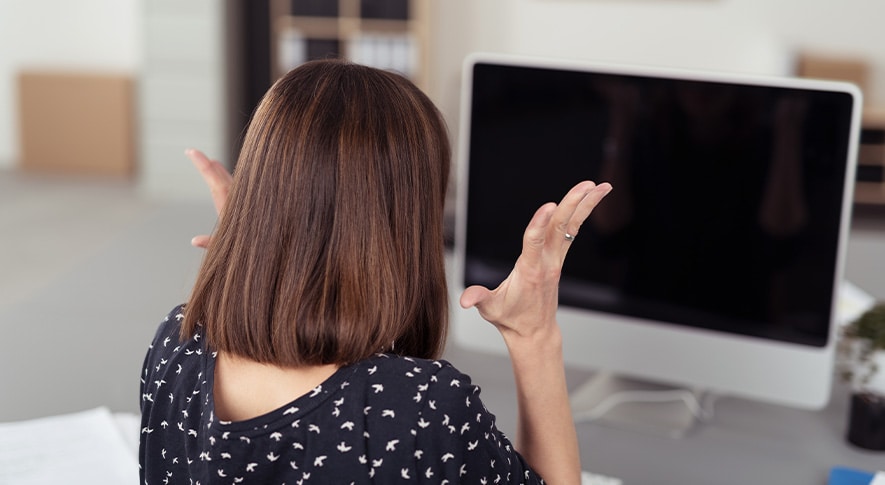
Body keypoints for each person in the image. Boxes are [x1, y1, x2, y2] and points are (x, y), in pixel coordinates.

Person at [139, 59, 612, 484]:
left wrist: (263, 251)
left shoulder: (175, 344)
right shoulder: (417, 406)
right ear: (406, 226)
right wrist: (532, 335)